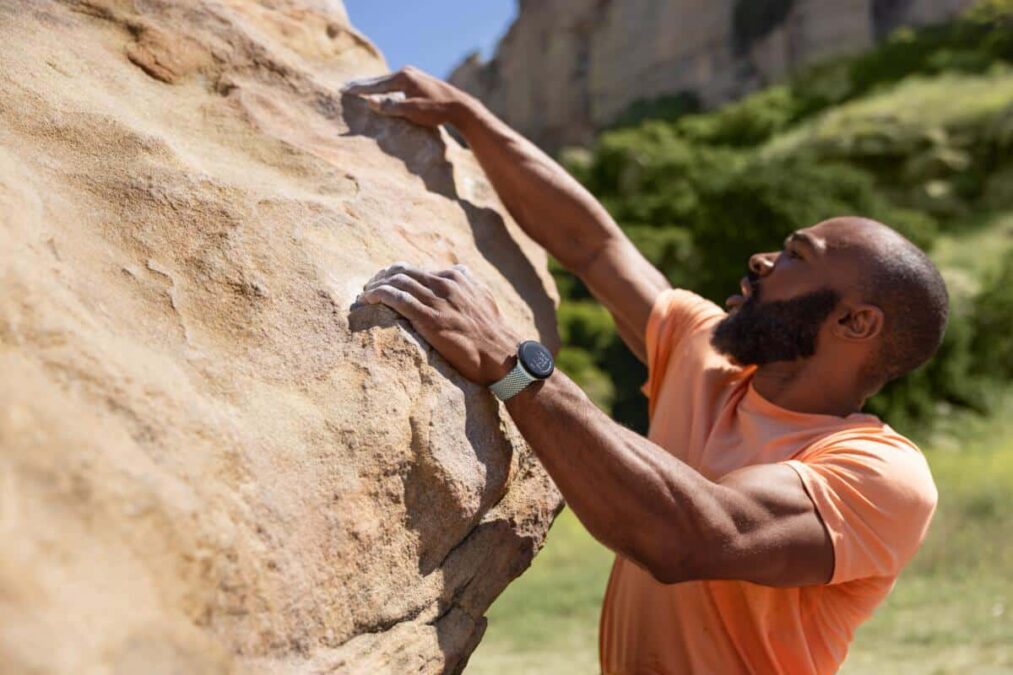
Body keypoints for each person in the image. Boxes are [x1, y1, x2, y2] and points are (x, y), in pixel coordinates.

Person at [344, 67, 945, 674]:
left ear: (855, 324)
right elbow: (592, 246)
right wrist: (468, 117)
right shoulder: (705, 357)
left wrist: (515, 365)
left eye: (796, 256)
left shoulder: (882, 474)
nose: (763, 259)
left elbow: (696, 535)